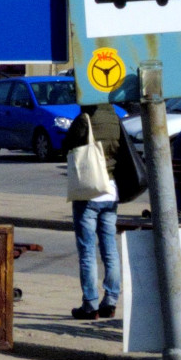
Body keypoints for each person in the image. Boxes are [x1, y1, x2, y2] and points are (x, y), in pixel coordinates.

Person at [61, 102, 129, 320]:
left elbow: (67, 144)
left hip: (90, 189)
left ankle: (90, 304)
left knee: (87, 251)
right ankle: (110, 301)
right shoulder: (115, 117)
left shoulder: (85, 118)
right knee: (110, 249)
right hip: (112, 190)